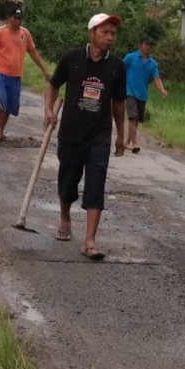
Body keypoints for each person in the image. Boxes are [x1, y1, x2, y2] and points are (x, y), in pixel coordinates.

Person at [44, 13, 127, 260]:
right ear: (91, 33)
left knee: (96, 184)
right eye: (105, 32)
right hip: (70, 132)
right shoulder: (72, 59)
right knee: (68, 181)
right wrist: (48, 110)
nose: (110, 37)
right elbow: (53, 84)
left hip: (98, 136)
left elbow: (119, 104)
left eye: (113, 33)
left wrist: (120, 136)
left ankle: (90, 241)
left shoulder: (117, 66)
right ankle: (65, 218)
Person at [0, 8, 52, 140]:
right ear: (9, 18)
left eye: (21, 19)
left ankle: (1, 131)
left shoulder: (25, 34)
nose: (19, 21)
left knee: (10, 105)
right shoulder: (0, 32)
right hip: (0, 74)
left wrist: (44, 70)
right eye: (16, 18)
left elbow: (33, 52)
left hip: (16, 76)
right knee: (1, 102)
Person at [122, 36, 168, 153]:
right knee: (133, 117)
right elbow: (121, 70)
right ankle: (134, 143)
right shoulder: (130, 58)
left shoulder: (152, 63)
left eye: (149, 45)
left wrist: (162, 89)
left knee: (135, 120)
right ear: (140, 45)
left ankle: (127, 142)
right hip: (129, 91)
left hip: (142, 94)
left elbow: (156, 78)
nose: (148, 47)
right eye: (146, 44)